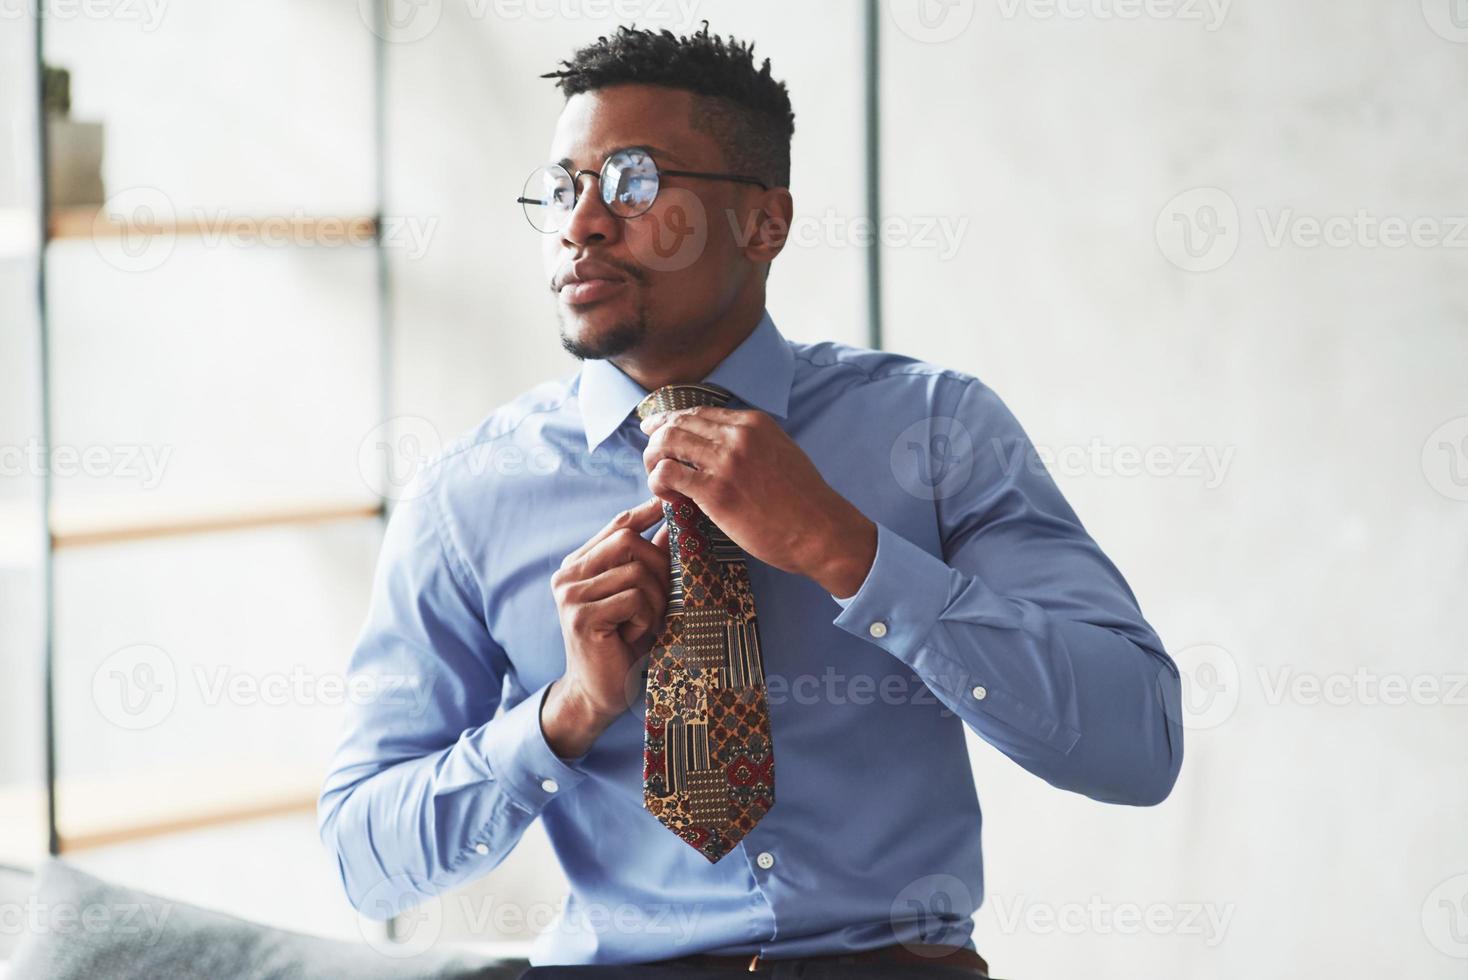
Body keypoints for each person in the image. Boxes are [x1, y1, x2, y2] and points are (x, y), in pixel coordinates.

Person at [318, 23, 1183, 979]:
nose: (583, 224)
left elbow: (1137, 745)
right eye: (565, 188)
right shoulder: (467, 498)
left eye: (636, 182)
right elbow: (365, 861)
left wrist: (850, 553)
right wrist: (563, 713)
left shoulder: (935, 432)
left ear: (764, 224)